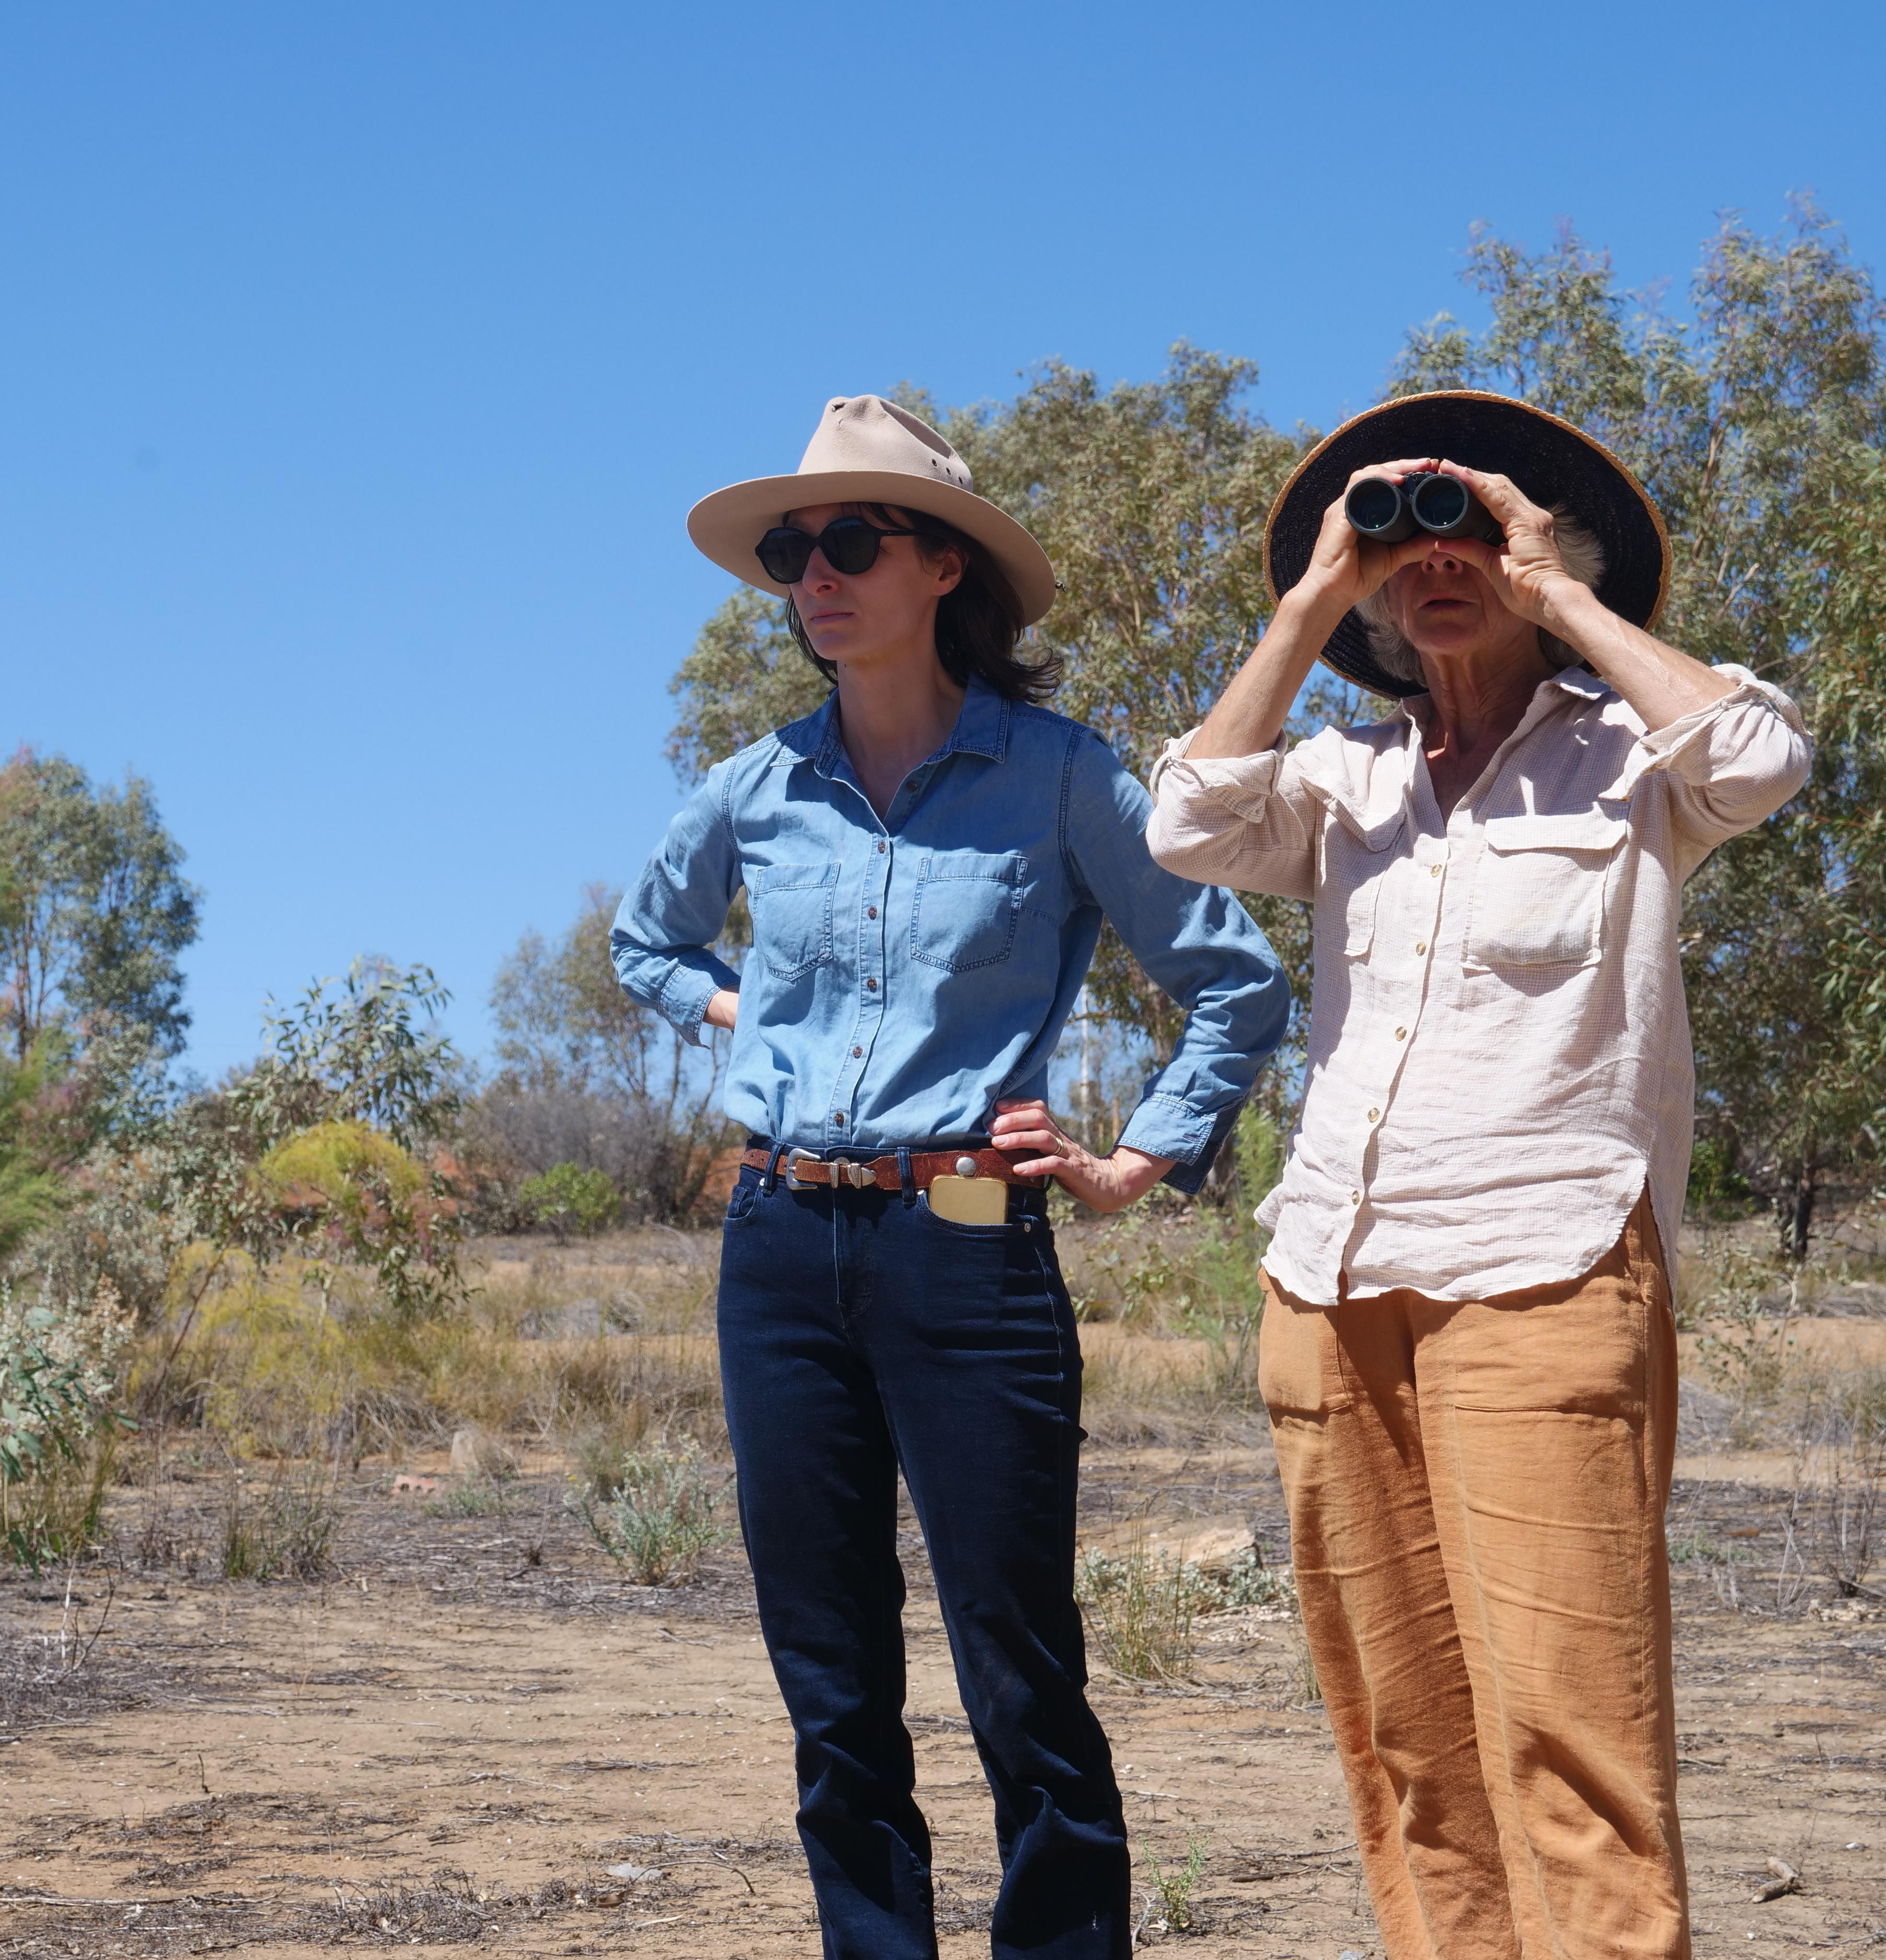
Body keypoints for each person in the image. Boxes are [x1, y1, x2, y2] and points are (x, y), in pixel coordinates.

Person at [611, 394, 1289, 1959]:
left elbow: (1237, 979)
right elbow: (649, 946)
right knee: (829, 1672)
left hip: (971, 1237)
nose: (816, 574)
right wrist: (756, 1019)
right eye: (793, 552)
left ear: (942, 568)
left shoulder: (1058, 776)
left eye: (852, 540)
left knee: (1017, 1660)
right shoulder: (753, 789)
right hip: (779, 1246)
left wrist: (1135, 1159)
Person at [1145, 390, 1812, 1960]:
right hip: (1329, 1283)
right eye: (1406, 538)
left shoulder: (1632, 761)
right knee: (1409, 1741)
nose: (1437, 560)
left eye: (1475, 529)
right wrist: (1317, 592)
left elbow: (1764, 757)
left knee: (1576, 1733)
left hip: (1546, 1270)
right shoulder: (1342, 780)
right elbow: (1185, 823)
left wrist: (1558, 594)